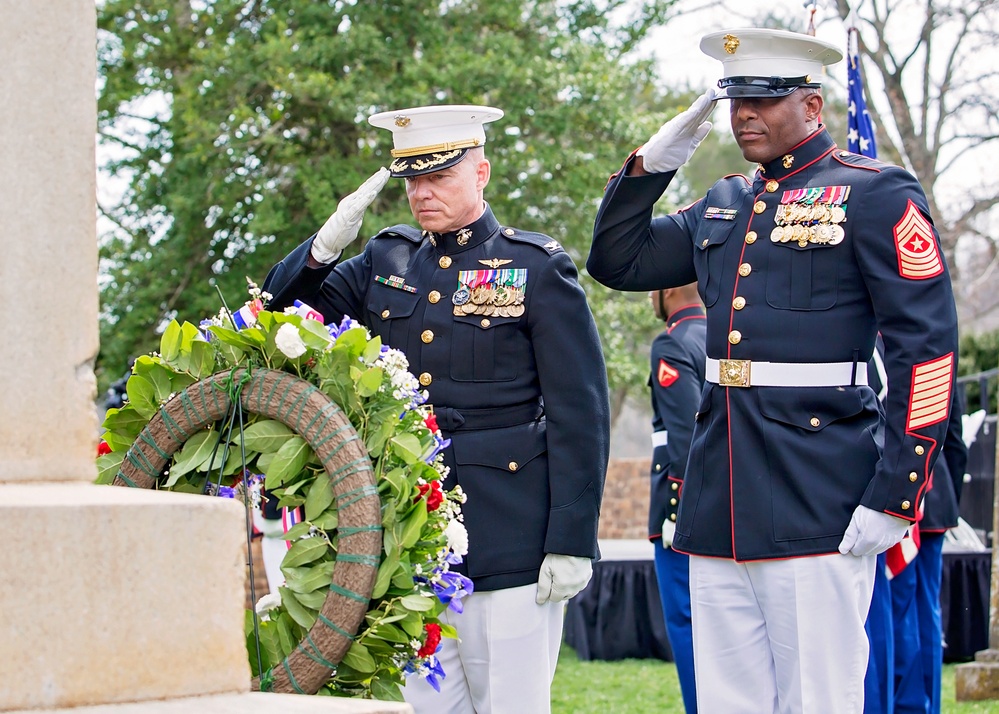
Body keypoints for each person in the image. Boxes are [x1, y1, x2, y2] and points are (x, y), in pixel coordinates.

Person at [587, 27, 959, 714]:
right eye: (735, 101)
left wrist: (896, 490)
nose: (745, 116)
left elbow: (926, 350)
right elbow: (617, 261)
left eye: (763, 98)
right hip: (718, 491)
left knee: (817, 696)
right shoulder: (725, 201)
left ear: (812, 107)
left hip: (818, 486)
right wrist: (660, 156)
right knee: (729, 700)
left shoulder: (873, 193)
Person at [262, 104, 610, 714]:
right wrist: (324, 246)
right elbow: (277, 315)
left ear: (481, 173)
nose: (422, 193)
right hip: (410, 539)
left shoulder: (535, 267)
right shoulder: (385, 259)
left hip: (511, 536)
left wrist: (573, 537)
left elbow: (579, 409)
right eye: (412, 180)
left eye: (438, 177)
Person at [646, 282, 705, 714]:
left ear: (667, 290)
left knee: (689, 627)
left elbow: (685, 438)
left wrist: (675, 511)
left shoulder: (673, 343)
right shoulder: (724, 336)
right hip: (729, 509)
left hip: (685, 514)